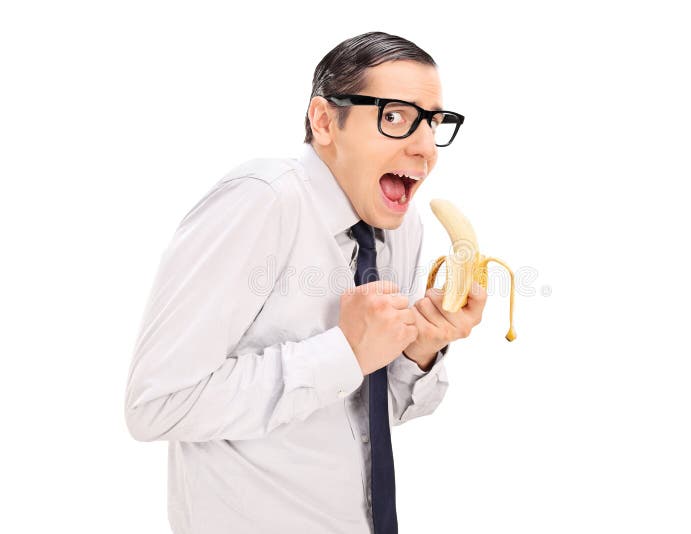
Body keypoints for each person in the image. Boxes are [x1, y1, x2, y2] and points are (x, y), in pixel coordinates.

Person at [124, 31, 487, 534]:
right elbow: (156, 405)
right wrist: (345, 352)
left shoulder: (403, 230)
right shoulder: (260, 202)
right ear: (324, 121)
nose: (425, 148)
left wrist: (418, 349)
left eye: (434, 123)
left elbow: (368, 416)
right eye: (396, 117)